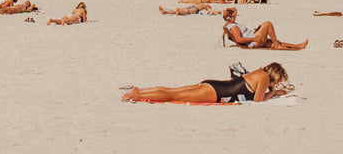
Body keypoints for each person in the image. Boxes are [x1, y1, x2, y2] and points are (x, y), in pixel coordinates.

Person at [122, 63, 290, 103]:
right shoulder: (264, 78)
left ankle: (141, 91)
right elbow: (258, 100)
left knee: (173, 91)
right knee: (173, 95)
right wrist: (273, 92)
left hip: (215, 85)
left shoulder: (258, 73)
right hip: (217, 92)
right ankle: (138, 94)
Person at [222, 7, 308, 49]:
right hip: (254, 41)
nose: (235, 18)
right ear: (229, 18)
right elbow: (239, 40)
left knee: (274, 42)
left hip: (254, 38)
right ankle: (278, 45)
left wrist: (256, 31)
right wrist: (254, 39)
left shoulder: (231, 24)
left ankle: (298, 46)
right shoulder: (233, 27)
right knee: (268, 24)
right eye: (233, 16)